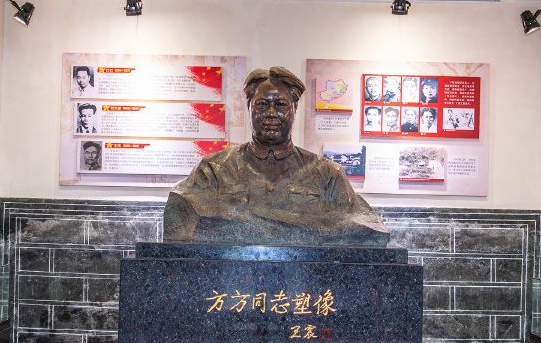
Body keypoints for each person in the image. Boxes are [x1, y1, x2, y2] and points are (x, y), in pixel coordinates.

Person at [163, 66, 388, 245]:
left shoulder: (328, 173)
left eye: (281, 105)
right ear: (249, 109)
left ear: (294, 110)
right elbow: (180, 221)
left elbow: (368, 232)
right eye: (262, 105)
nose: (271, 113)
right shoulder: (212, 169)